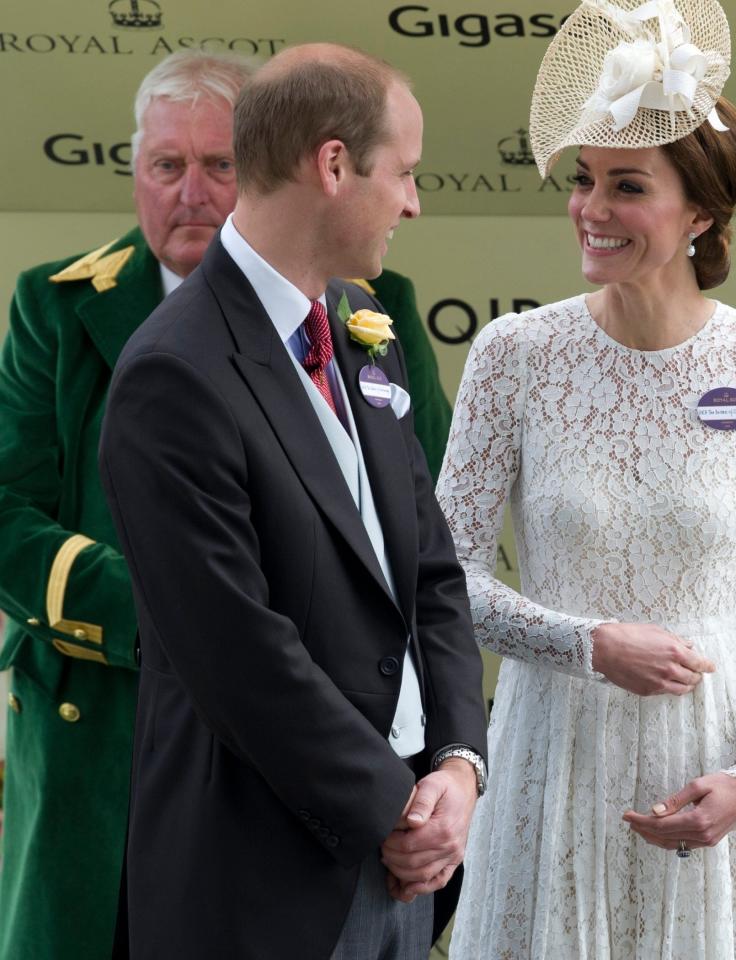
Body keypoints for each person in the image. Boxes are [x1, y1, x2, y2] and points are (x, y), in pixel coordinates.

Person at [437, 1, 736, 958]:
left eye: (626, 186)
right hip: (548, 751)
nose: (590, 209)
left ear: (699, 211)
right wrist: (585, 643)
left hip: (716, 759)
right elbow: (441, 580)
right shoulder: (515, 355)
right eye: (583, 181)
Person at [98, 43, 487, 960]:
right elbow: (238, 654)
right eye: (405, 172)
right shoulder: (174, 372)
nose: (414, 201)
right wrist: (393, 808)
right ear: (334, 163)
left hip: (405, 863)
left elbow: (430, 573)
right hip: (261, 885)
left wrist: (458, 768)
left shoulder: (365, 331)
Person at [0, 50, 256, 960]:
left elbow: (412, 528)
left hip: (275, 726)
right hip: (94, 723)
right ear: (135, 172)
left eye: (220, 164)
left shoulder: (361, 312)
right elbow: (5, 509)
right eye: (166, 165)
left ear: (264, 168)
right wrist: (163, 618)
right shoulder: (53, 306)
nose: (192, 192)